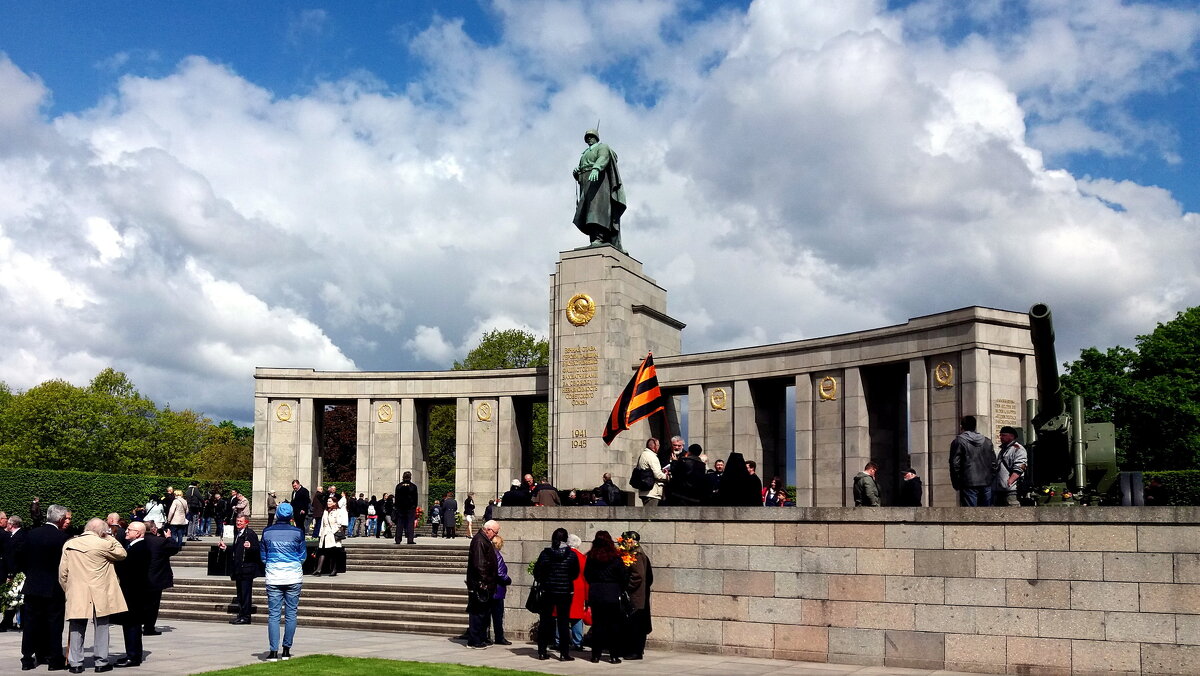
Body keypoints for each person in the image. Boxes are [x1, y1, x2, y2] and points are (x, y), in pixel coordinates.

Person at [60, 518, 128, 673]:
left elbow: (63, 572)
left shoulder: (70, 544)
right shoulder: (104, 544)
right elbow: (122, 554)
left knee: (76, 627)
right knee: (102, 626)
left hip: (77, 590)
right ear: (101, 531)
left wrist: (68, 589)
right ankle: (101, 662)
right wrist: (109, 536)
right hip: (100, 590)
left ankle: (75, 663)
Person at [15, 504, 72, 671]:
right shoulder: (62, 538)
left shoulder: (30, 534)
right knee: (54, 623)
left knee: (31, 622)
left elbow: (19, 556)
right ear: (61, 519)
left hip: (33, 585)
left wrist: (30, 572)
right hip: (54, 586)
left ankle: (27, 658)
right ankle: (54, 658)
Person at [260, 502, 305, 662]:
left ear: (277, 515)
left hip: (274, 576)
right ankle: (286, 650)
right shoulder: (298, 532)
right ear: (291, 516)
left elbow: (263, 556)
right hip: (293, 575)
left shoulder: (267, 532)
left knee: (274, 615)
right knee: (291, 613)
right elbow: (303, 555)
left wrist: (274, 563)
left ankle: (273, 651)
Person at [572, 128, 627, 251]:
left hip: (599, 182)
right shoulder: (585, 153)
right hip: (586, 182)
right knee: (587, 211)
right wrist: (577, 173)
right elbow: (582, 168)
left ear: (596, 137)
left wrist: (596, 168)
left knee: (596, 209)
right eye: (587, 137)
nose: (589, 139)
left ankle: (599, 237)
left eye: (591, 136)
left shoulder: (602, 147)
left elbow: (603, 158)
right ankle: (594, 238)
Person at [532, 527, 580, 661]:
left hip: (548, 590)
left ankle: (542, 651)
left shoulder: (545, 553)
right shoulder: (571, 555)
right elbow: (575, 573)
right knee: (564, 622)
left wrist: (546, 581)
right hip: (565, 591)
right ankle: (564, 653)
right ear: (566, 539)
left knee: (545, 621)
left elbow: (537, 572)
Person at [584, 531, 628, 664]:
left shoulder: (591, 557)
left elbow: (587, 575)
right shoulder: (615, 558)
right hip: (611, 593)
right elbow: (623, 576)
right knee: (613, 625)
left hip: (597, 593)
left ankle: (595, 655)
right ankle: (613, 655)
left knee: (598, 625)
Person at [112, 521, 150, 668]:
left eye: (130, 530)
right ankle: (132, 654)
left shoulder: (139, 548)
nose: (126, 531)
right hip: (133, 593)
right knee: (130, 625)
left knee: (132, 625)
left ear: (138, 533)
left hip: (134, 594)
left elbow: (128, 570)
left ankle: (133, 656)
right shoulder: (135, 546)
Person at [135, 521, 181, 635]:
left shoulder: (137, 542)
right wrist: (169, 537)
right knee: (153, 604)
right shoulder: (160, 542)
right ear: (153, 530)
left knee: (140, 603)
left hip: (140, 578)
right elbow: (174, 548)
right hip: (156, 578)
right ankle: (149, 627)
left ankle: (138, 625)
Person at [465, 520, 500, 648]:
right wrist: (484, 581)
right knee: (478, 613)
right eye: (495, 532)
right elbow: (479, 564)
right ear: (488, 530)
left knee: (483, 613)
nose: (495, 535)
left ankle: (481, 638)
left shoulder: (483, 540)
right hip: (480, 584)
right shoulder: (480, 540)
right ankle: (475, 640)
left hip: (484, 583)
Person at [220, 514, 261, 624]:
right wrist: (226, 548)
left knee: (245, 594)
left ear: (246, 522)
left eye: (241, 521)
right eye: (237, 521)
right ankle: (241, 614)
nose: (238, 523)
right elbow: (236, 550)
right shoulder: (238, 534)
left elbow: (258, 549)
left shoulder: (250, 534)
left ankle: (246, 616)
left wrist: (250, 547)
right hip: (239, 569)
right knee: (240, 594)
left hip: (247, 569)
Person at [950, 415, 998, 507]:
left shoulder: (959, 441)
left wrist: (956, 483)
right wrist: (991, 478)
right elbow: (994, 464)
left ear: (961, 427)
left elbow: (955, 464)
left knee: (970, 515)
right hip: (986, 482)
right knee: (986, 514)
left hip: (968, 483)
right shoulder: (987, 441)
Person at [620, 530, 653, 660]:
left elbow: (638, 575)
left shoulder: (637, 555)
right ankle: (632, 649)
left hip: (636, 596)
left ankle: (636, 651)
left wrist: (627, 587)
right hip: (638, 595)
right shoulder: (634, 553)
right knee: (634, 624)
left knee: (636, 625)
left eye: (625, 541)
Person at [995, 426, 1028, 507]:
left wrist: (1009, 482)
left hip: (1011, 490)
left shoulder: (1018, 449)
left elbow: (1020, 467)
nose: (1001, 437)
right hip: (1000, 490)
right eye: (1000, 435)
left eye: (1004, 435)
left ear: (1011, 436)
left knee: (1013, 512)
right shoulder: (1004, 449)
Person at [488, 535, 512, 645]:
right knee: (498, 615)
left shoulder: (488, 553)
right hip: (497, 590)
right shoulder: (497, 555)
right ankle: (499, 637)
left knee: (489, 615)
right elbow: (500, 574)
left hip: (490, 589)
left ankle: (487, 636)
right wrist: (508, 580)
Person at [314, 497, 344, 577]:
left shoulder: (338, 511)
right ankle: (319, 569)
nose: (328, 502)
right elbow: (322, 524)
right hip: (325, 534)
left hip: (332, 535)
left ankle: (334, 569)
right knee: (322, 551)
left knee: (332, 553)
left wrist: (333, 532)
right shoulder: (325, 511)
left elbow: (339, 523)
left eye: (330, 501)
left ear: (334, 503)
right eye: (327, 501)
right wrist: (320, 534)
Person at [636, 438, 668, 506]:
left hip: (644, 491)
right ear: (654, 447)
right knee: (651, 515)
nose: (659, 447)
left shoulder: (643, 455)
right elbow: (658, 475)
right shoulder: (652, 456)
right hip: (652, 492)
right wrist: (668, 477)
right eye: (658, 445)